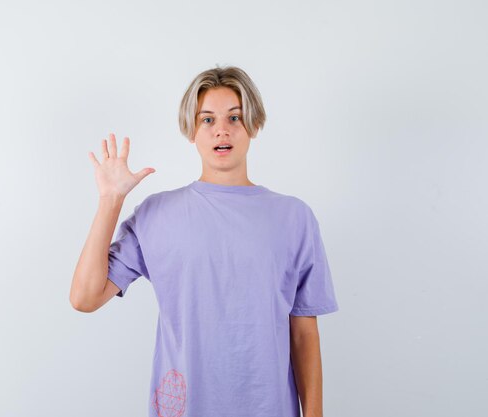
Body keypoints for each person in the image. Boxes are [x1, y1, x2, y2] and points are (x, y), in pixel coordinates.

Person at [70, 65, 339, 417]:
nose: (221, 130)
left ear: (254, 126)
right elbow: (85, 298)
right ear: (191, 130)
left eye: (235, 117)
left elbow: (304, 332)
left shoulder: (294, 218)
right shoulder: (156, 214)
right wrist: (110, 201)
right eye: (207, 119)